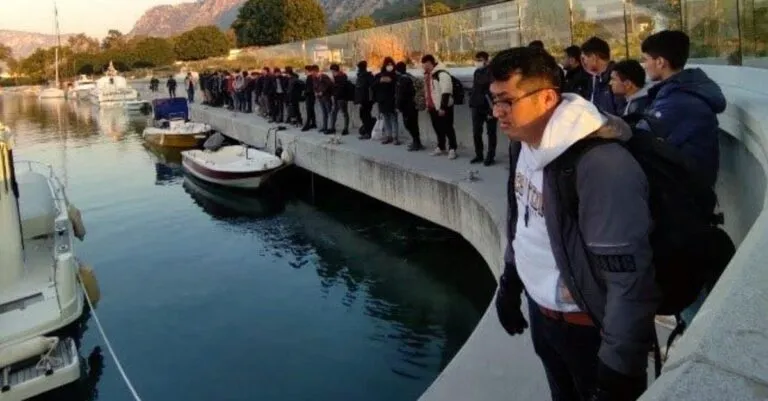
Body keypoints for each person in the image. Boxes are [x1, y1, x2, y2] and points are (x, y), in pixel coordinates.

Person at [490, 46, 657, 401]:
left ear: (547, 98)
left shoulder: (601, 165)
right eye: (494, 100)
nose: (497, 112)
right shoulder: (522, 144)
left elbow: (629, 278)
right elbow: (523, 222)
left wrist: (619, 367)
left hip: (586, 328)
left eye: (507, 101)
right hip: (543, 316)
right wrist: (510, 284)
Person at [640, 29, 726, 189]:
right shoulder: (681, 90)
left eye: (645, 60)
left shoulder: (678, 100)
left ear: (660, 62)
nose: (644, 66)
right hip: (688, 188)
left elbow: (640, 137)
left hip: (685, 194)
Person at [422, 54, 458, 159]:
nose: (423, 67)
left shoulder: (442, 74)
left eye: (424, 64)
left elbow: (446, 91)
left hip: (443, 106)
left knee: (448, 128)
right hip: (432, 106)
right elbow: (428, 92)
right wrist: (428, 105)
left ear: (430, 63)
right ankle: (441, 146)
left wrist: (443, 107)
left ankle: (452, 149)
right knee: (437, 128)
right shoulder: (428, 75)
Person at [581, 37, 622, 115]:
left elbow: (621, 115)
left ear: (594, 58)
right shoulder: (595, 79)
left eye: (584, 58)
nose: (583, 62)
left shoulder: (618, 79)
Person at [469, 51, 497, 166]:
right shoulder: (477, 72)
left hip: (489, 106)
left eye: (480, 60)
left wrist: (492, 109)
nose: (477, 62)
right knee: (476, 132)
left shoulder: (492, 72)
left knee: (491, 133)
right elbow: (475, 88)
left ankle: (490, 156)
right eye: (476, 60)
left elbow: (493, 91)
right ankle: (479, 155)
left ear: (486, 60)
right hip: (476, 105)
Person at [394, 61, 423, 151]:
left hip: (407, 106)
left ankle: (416, 142)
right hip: (414, 104)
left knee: (409, 124)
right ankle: (417, 142)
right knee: (414, 124)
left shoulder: (402, 80)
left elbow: (400, 95)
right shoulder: (409, 76)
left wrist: (398, 106)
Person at [373, 57, 399, 144]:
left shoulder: (395, 75)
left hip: (392, 100)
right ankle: (389, 136)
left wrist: (391, 81)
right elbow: (373, 85)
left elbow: (398, 86)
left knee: (393, 118)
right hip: (382, 100)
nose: (390, 66)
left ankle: (395, 137)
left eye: (391, 64)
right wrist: (380, 80)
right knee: (386, 118)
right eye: (388, 64)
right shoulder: (379, 75)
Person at [355, 60, 376, 139]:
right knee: (363, 115)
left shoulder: (367, 76)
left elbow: (372, 87)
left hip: (367, 100)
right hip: (363, 100)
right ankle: (368, 129)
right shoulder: (361, 76)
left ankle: (368, 132)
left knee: (365, 116)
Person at [328, 64, 350, 136]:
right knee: (333, 113)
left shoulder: (342, 76)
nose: (331, 73)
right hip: (336, 98)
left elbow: (341, 87)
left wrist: (334, 82)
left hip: (342, 98)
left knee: (344, 113)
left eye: (332, 71)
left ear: (334, 70)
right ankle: (332, 128)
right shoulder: (336, 77)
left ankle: (346, 129)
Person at [313, 65, 334, 134]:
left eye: (313, 72)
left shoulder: (324, 76)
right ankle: (325, 127)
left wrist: (322, 92)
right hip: (320, 98)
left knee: (329, 112)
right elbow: (314, 86)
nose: (312, 73)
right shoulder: (315, 78)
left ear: (316, 71)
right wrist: (315, 92)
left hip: (326, 97)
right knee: (324, 113)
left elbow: (329, 85)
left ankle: (331, 128)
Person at [302, 65, 318, 132]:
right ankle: (313, 123)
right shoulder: (312, 77)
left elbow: (309, 88)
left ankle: (308, 124)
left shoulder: (310, 77)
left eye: (305, 70)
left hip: (309, 95)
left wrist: (305, 93)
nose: (304, 72)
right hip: (312, 95)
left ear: (308, 70)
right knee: (311, 110)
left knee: (309, 110)